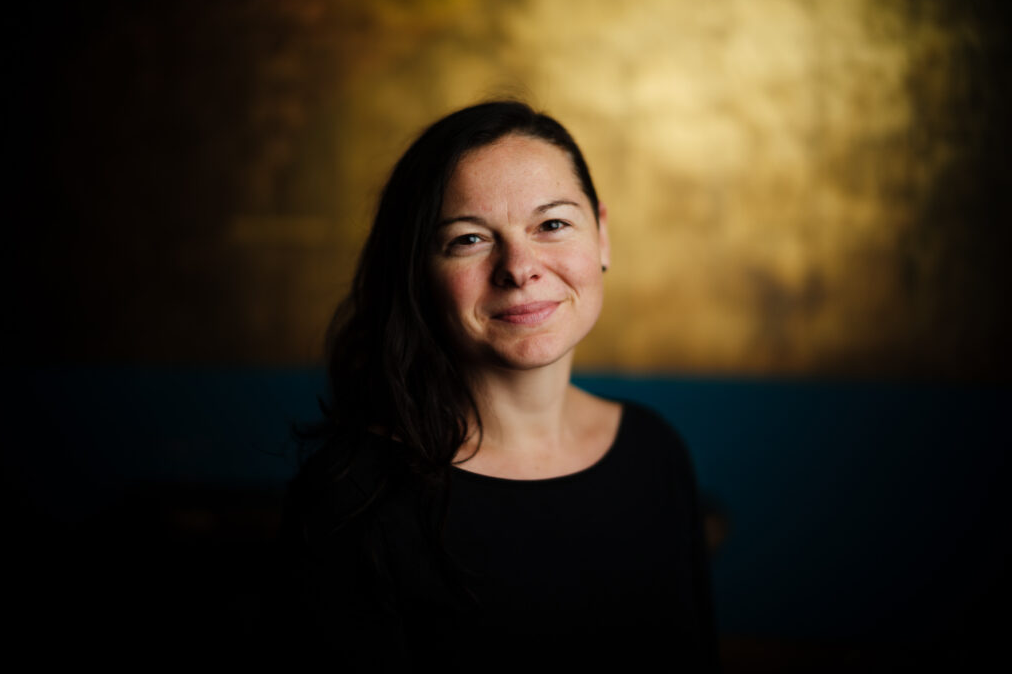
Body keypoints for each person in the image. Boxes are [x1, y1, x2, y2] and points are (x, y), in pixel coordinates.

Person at [269, 101, 718, 671]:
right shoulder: (351, 499)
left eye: (552, 224)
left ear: (601, 235)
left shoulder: (655, 451)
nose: (519, 267)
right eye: (469, 239)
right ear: (418, 272)